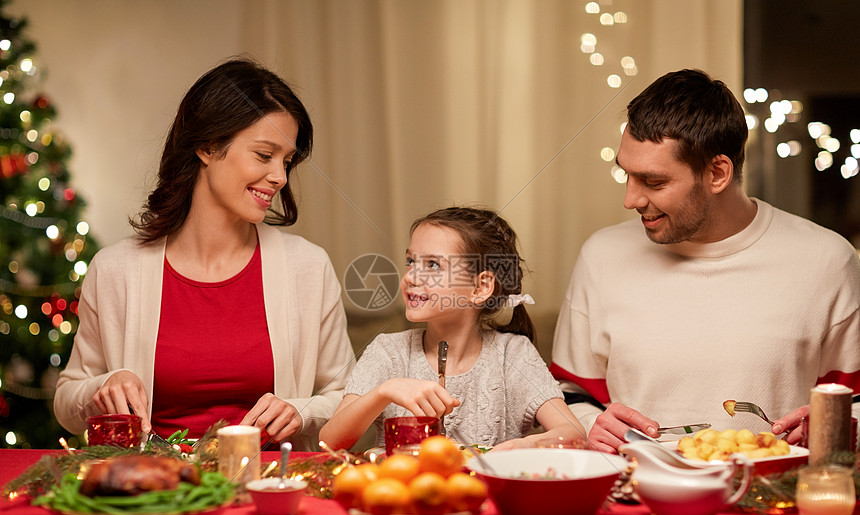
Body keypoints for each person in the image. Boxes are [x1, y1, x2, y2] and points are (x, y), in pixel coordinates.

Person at [550, 69, 860, 454]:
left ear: (717, 173)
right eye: (626, 174)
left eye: (653, 181)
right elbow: (568, 394)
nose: (630, 199)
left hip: (773, 501)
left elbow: (855, 401)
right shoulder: (601, 256)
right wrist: (591, 425)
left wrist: (838, 427)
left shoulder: (828, 261)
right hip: (638, 498)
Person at [53, 58, 355, 450]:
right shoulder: (115, 269)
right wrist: (101, 389)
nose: (280, 176)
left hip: (264, 490)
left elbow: (347, 395)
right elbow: (66, 401)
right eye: (264, 155)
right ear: (208, 146)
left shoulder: (308, 267)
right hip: (151, 490)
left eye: (287, 161)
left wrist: (302, 411)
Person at [319, 207, 586, 451]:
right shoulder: (388, 352)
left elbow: (573, 433)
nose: (411, 277)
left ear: (480, 288)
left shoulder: (512, 354)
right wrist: (384, 392)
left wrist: (518, 448)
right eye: (411, 262)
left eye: (432, 265)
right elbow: (328, 442)